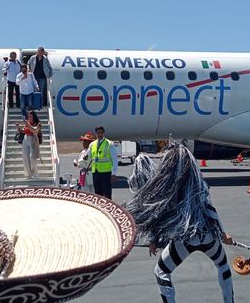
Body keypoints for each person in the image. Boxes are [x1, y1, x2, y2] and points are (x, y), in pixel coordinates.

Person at [125, 142, 235, 303]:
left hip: (185, 239)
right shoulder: (198, 183)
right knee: (223, 266)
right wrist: (223, 233)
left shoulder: (168, 189)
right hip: (208, 236)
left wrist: (154, 239)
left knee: (161, 271)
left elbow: (159, 213)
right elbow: (210, 209)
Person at [87, 126, 118, 199]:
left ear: (104, 133)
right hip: (95, 171)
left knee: (107, 193)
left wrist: (114, 173)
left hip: (106, 172)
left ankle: (107, 209)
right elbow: (89, 155)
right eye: (98, 133)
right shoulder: (92, 144)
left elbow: (114, 159)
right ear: (96, 134)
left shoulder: (109, 144)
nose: (100, 134)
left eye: (101, 133)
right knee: (97, 194)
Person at [19, 111, 41, 179]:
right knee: (25, 157)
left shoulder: (38, 124)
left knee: (32, 157)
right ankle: (28, 174)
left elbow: (34, 130)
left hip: (33, 139)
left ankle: (35, 173)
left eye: (31, 116)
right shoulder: (27, 123)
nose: (29, 117)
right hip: (25, 139)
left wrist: (26, 124)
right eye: (28, 116)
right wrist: (18, 128)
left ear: (34, 116)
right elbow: (23, 131)